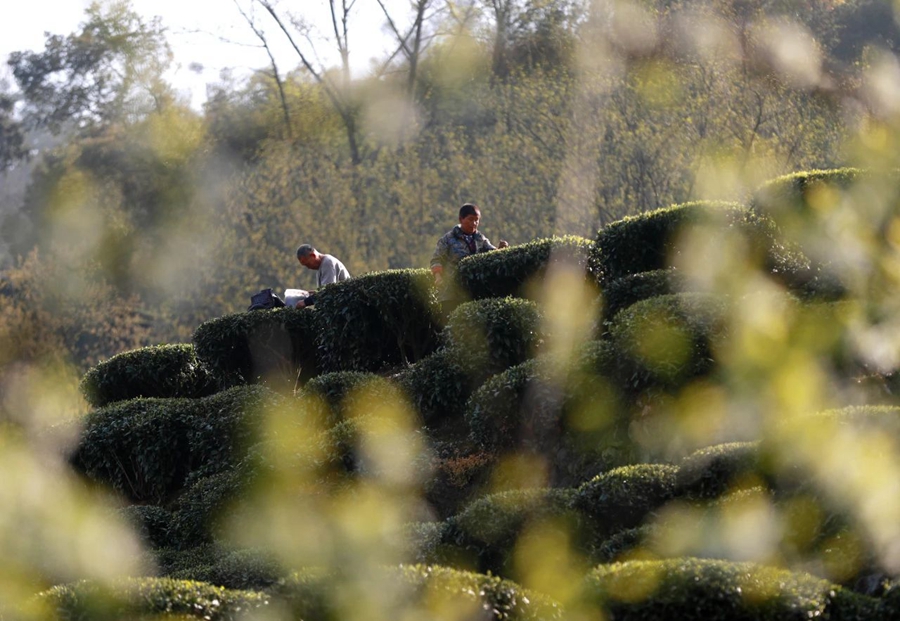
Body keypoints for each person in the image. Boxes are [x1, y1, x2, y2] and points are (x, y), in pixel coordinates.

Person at [430, 203, 509, 318]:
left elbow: (492, 254)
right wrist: (438, 276)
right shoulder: (448, 239)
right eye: (470, 219)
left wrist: (501, 249)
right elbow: (436, 259)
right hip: (451, 292)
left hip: (473, 291)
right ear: (461, 219)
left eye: (477, 220)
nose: (474, 223)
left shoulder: (480, 239)